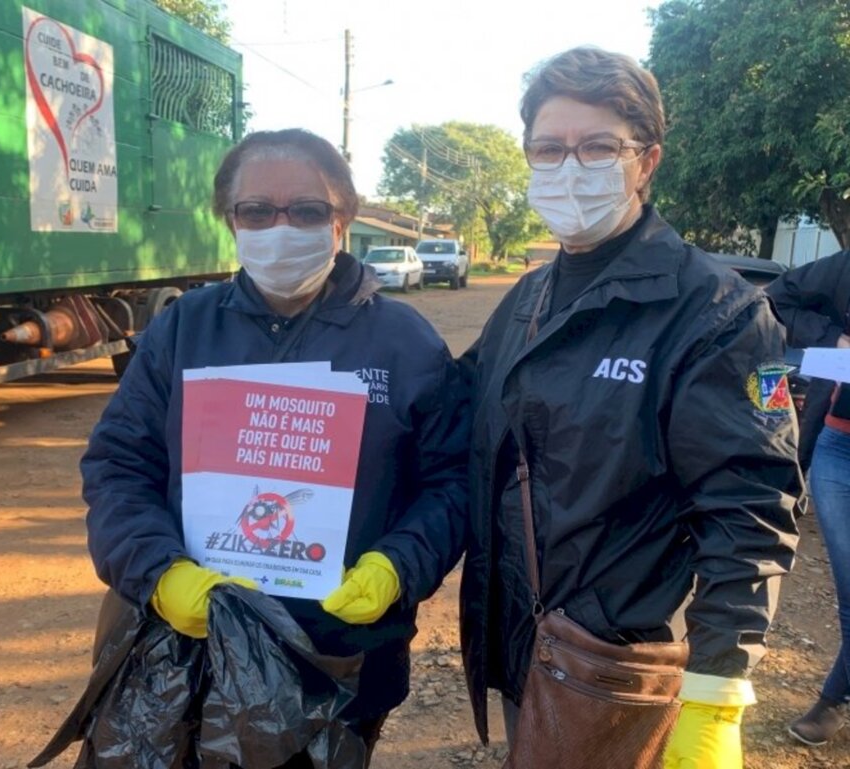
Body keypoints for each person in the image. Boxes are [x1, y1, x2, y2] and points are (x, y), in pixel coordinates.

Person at [81, 128, 468, 767]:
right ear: (230, 221)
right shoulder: (184, 327)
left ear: (342, 220)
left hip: (343, 655)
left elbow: (451, 481)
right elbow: (118, 465)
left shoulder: (405, 342)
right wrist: (160, 572)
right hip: (190, 646)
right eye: (257, 211)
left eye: (308, 211)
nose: (280, 227)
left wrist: (398, 566)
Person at [458, 47, 802, 767]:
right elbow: (451, 416)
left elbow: (754, 503)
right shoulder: (525, 300)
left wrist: (717, 688)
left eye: (597, 147)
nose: (569, 167)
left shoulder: (725, 314)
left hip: (622, 666)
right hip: (528, 646)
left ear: (646, 161)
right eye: (549, 148)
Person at [767, 250, 850, 745]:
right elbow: (776, 300)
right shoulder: (844, 268)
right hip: (839, 451)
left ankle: (833, 699)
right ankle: (833, 703)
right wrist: (833, 342)